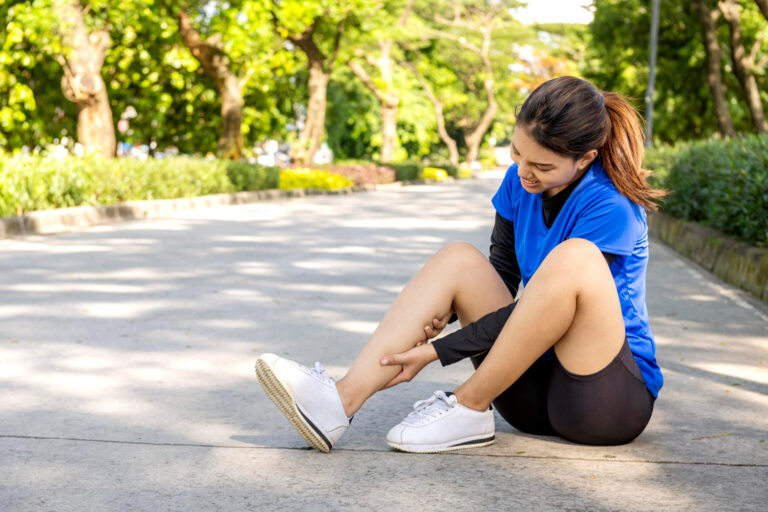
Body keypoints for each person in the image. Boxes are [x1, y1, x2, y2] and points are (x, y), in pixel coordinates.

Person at [255, 76, 666, 453]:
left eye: (542, 167)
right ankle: (339, 402)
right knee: (459, 259)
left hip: (601, 401)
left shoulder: (611, 204)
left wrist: (438, 351)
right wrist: (444, 314)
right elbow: (500, 278)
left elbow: (533, 308)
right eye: (517, 153)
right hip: (525, 394)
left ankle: (468, 406)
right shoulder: (518, 182)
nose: (524, 173)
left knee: (574, 258)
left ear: (585, 158)